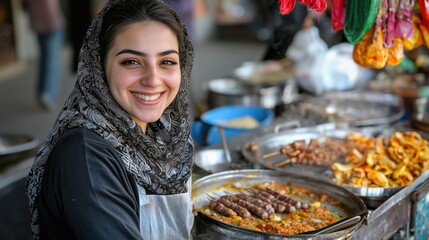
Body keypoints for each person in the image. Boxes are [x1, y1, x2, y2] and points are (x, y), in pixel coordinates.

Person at [25, 0, 195, 239]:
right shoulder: (87, 158)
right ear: (99, 66)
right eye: (131, 62)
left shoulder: (158, 133)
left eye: (167, 61)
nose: (153, 79)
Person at [21, 0, 66, 111]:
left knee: (46, 58)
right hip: (52, 22)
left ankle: (42, 91)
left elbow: (24, 6)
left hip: (38, 22)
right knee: (51, 59)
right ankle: (48, 94)